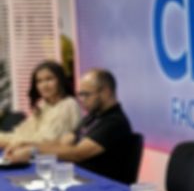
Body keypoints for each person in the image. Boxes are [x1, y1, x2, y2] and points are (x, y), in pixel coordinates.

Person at [7, 68, 136, 184]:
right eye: (80, 94)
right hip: (79, 178)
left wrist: (33, 151)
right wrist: (27, 144)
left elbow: (78, 153)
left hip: (100, 186)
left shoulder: (114, 122)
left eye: (86, 94)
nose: (82, 100)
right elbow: (63, 142)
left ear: (106, 92)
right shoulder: (93, 116)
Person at [0, 61, 80, 148]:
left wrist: (11, 142)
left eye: (49, 79)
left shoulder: (68, 104)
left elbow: (45, 141)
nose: (44, 85)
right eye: (39, 81)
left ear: (60, 80)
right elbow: (22, 134)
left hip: (53, 155)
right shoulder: (44, 105)